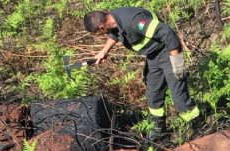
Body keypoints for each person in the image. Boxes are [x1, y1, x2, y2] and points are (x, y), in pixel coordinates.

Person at [84, 8, 200, 140]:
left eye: (99, 34)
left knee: (178, 93)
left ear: (102, 28)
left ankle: (195, 126)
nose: (102, 36)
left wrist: (177, 62)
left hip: (167, 52)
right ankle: (160, 130)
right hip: (152, 57)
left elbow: (167, 33)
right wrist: (104, 52)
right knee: (153, 94)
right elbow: (114, 35)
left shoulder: (134, 20)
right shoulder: (113, 21)